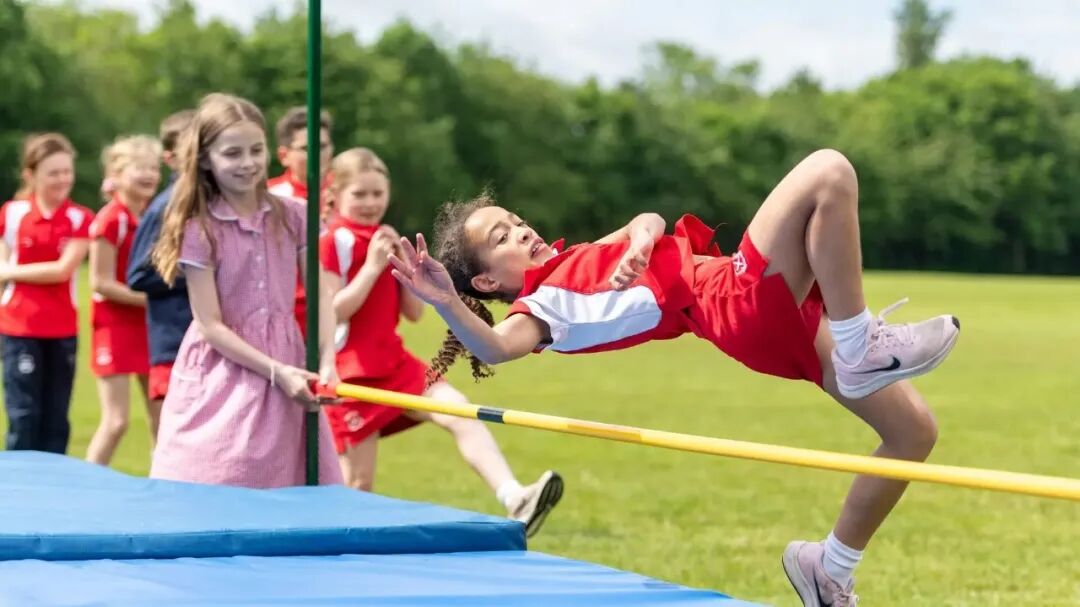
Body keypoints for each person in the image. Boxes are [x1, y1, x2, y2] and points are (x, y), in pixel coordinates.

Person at [390, 150, 960, 606]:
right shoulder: (540, 310)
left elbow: (648, 221)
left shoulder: (570, 262)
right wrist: (444, 303)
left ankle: (829, 567)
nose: (520, 231)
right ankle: (861, 343)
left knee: (913, 432)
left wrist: (641, 238)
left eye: (514, 221)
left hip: (752, 314)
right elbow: (495, 347)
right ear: (488, 283)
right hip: (730, 301)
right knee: (829, 172)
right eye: (501, 239)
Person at [320, 147, 562, 536]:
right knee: (358, 484)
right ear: (336, 195)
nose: (370, 203)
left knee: (461, 413)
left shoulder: (387, 239)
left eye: (377, 194)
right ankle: (339, 559)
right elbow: (331, 311)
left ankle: (515, 496)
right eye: (359, 195)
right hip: (352, 373)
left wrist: (414, 280)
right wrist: (371, 268)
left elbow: (412, 315)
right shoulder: (334, 242)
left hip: (395, 364)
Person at [149, 93, 342, 488]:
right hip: (225, 370)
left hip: (288, 358)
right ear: (205, 159)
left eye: (256, 150)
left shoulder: (293, 215)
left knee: (292, 482)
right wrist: (275, 372)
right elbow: (210, 324)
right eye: (232, 153)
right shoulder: (199, 229)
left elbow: (321, 295)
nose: (248, 162)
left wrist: (327, 359)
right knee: (224, 475)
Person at [0, 133, 92, 454]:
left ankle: (55, 491)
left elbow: (62, 270)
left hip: (62, 329)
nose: (62, 179)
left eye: (67, 171)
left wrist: (11, 272)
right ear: (31, 175)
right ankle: (16, 492)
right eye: (53, 173)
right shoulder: (12, 214)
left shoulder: (80, 218)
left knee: (55, 420)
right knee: (24, 416)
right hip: (18, 329)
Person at [85, 135, 162, 465]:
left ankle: (163, 490)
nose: (148, 175)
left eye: (153, 168)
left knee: (162, 420)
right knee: (116, 422)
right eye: (139, 168)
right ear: (116, 174)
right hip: (115, 327)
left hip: (149, 328)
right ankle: (86, 488)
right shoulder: (110, 219)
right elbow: (99, 282)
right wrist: (150, 301)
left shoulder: (153, 217)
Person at [126, 110, 196, 443]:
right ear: (171, 158)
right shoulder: (165, 207)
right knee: (175, 441)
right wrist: (194, 273)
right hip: (173, 343)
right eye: (191, 148)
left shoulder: (212, 202)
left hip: (207, 343)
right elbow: (138, 274)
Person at [268, 106, 334, 335]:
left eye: (323, 146)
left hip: (342, 311)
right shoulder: (271, 197)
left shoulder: (351, 194)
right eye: (307, 148)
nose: (318, 154)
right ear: (284, 155)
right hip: (288, 315)